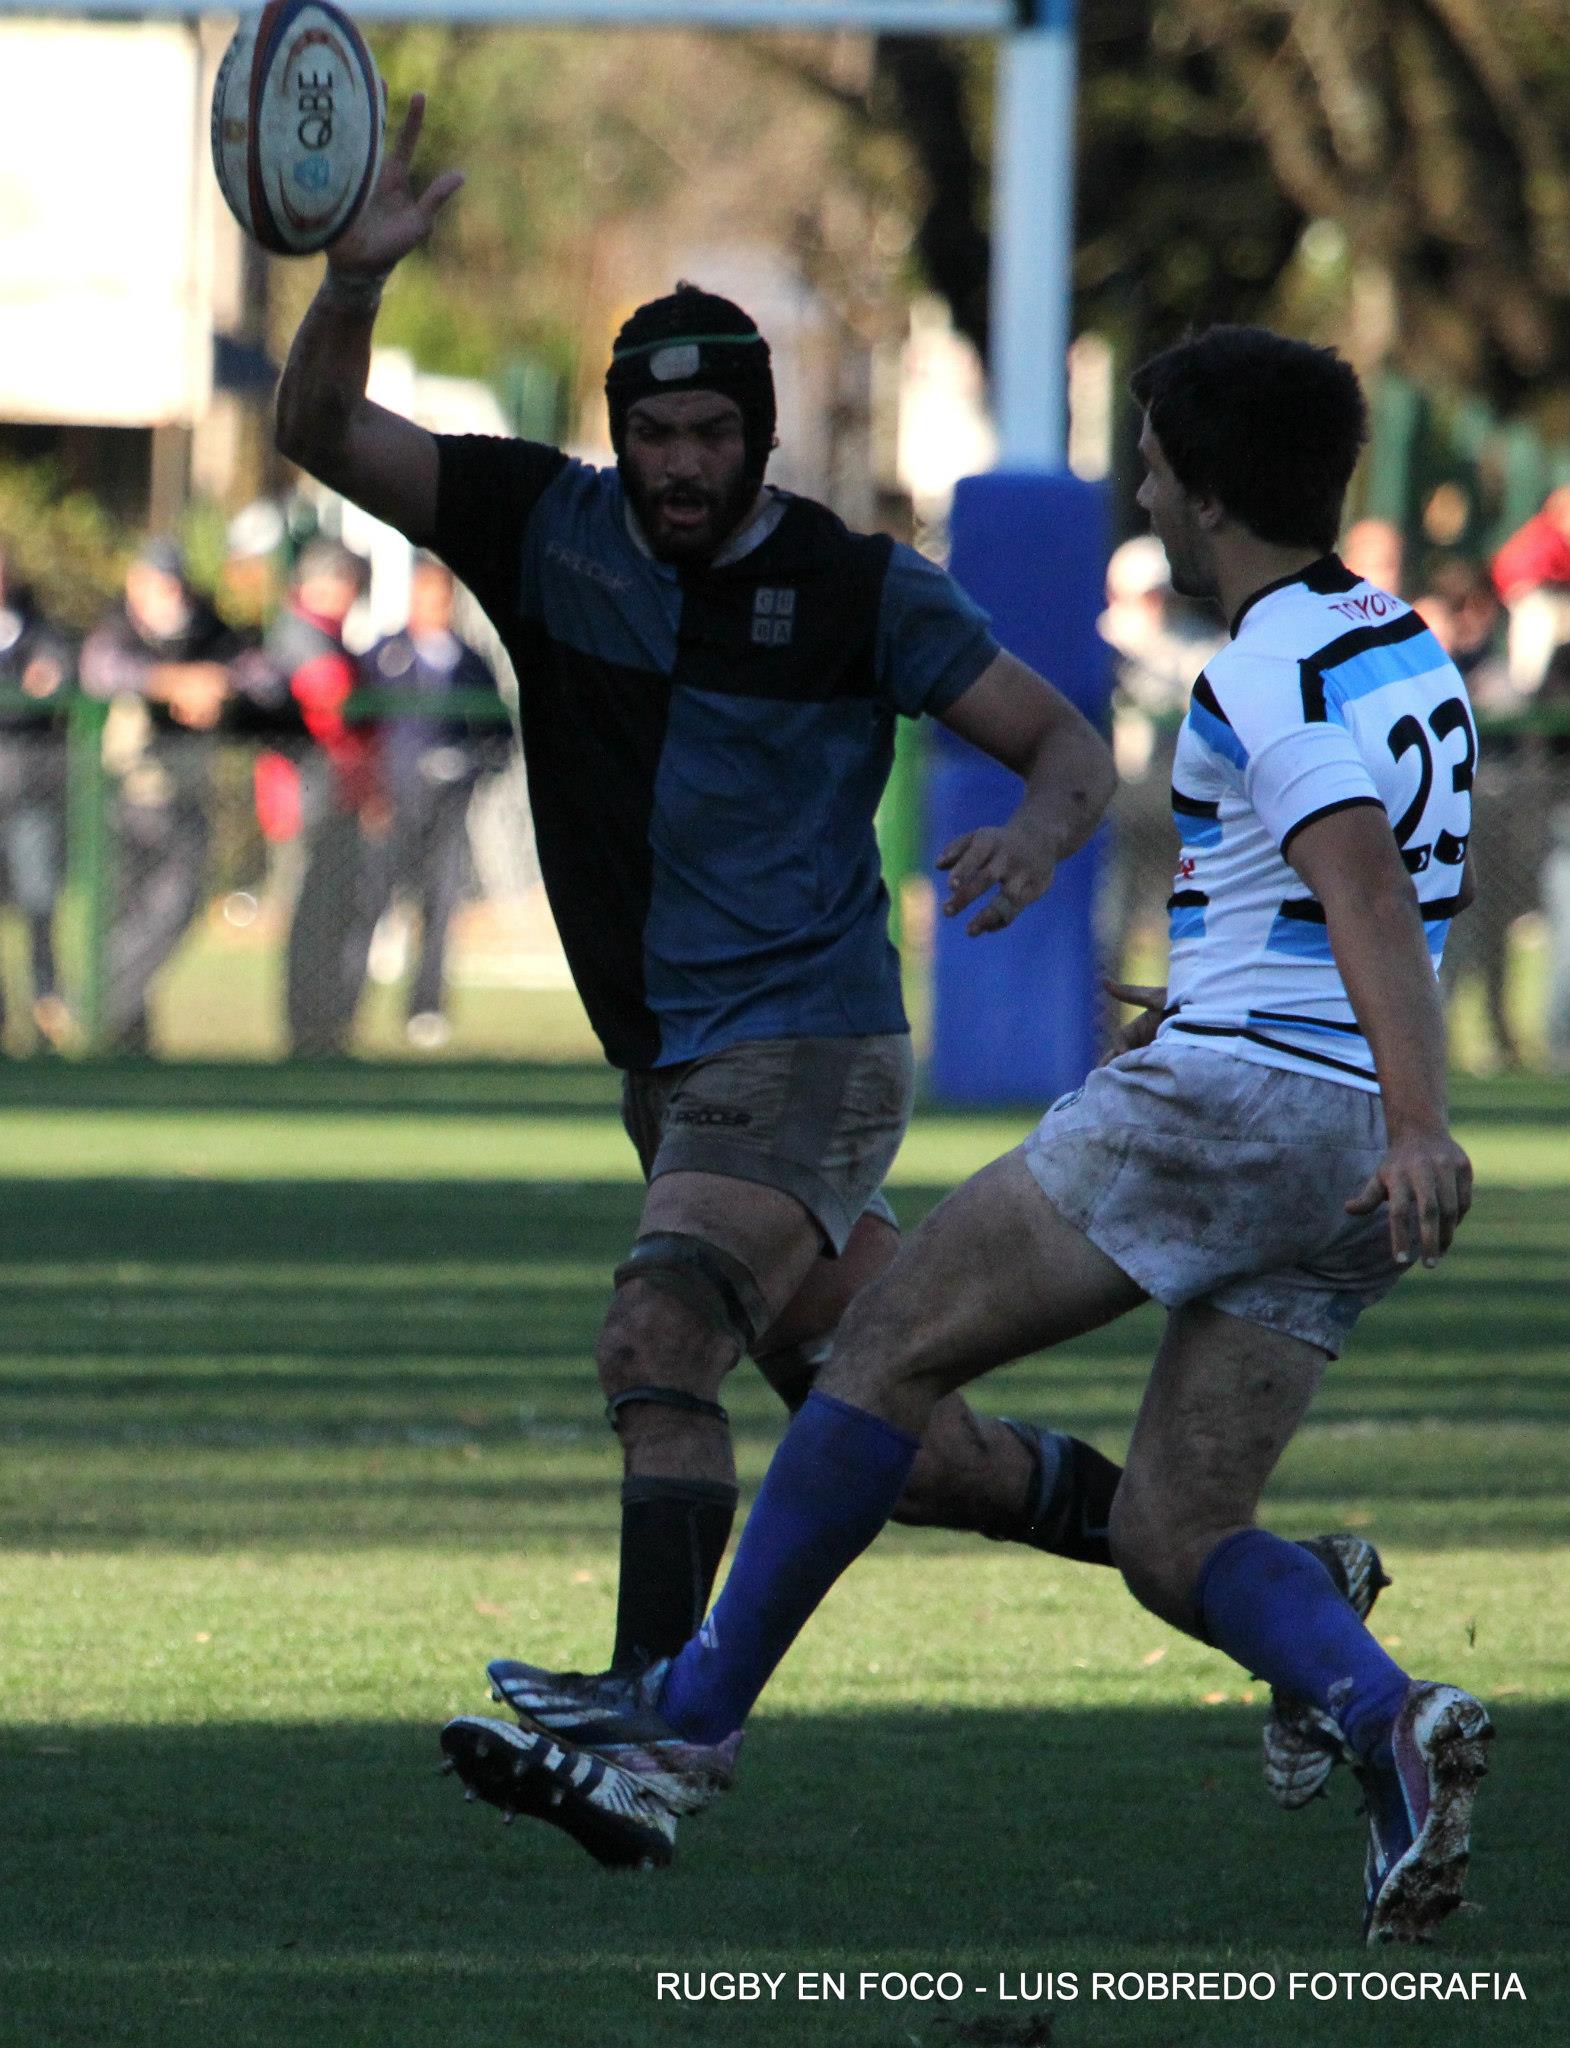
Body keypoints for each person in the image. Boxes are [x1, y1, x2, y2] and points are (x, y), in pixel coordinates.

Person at [274, 102, 1376, 1809]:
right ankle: (1293, 1584)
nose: (687, 462)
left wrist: (1032, 836)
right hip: (678, 1065)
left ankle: (653, 1708)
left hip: (805, 1045)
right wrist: (351, 280)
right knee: (906, 1437)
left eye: (718, 431)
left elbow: (1069, 747)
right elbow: (322, 424)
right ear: (620, 436)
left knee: (657, 1337)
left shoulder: (862, 588)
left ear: (758, 434)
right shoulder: (540, 528)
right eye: (660, 432)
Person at [454, 327, 1493, 1949]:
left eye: (1150, 460)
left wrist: (1409, 1113)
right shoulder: (1404, 646)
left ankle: (683, 1730)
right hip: (1337, 1144)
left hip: (1265, 1111)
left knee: (875, 1355)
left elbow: (1357, 868)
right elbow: (1401, 893)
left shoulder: (1263, 660)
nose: (1136, 485)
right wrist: (1281, 1035)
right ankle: (1387, 1717)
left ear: (1207, 494)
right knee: (1173, 1530)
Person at [79, 541, 246, 1051]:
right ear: (136, 584)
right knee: (124, 917)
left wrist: (217, 685)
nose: (170, 597)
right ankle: (120, 1026)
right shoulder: (115, 631)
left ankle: (103, 1008)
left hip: (186, 800)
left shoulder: (208, 632)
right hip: (123, 800)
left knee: (176, 909)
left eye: (176, 586)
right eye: (159, 584)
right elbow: (102, 673)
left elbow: (258, 669)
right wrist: (176, 684)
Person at [355, 553, 509, 1048]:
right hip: (392, 805)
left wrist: (469, 765)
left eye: (440, 596)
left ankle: (425, 1009)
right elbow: (362, 730)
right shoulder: (384, 656)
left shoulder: (469, 662)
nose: (432, 606)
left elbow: (499, 734)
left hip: (448, 810)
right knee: (370, 903)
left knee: (440, 908)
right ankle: (344, 1006)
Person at [262, 539, 381, 1056]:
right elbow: (331, 715)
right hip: (314, 794)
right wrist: (366, 783)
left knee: (330, 911)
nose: (351, 595)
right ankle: (310, 1031)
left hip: (324, 794)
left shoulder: (320, 635)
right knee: (316, 914)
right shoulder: (303, 636)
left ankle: (319, 1027)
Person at [0, 542, 74, 1051]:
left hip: (28, 793)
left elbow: (56, 675)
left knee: (38, 900)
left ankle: (46, 1006)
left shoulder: (37, 626)